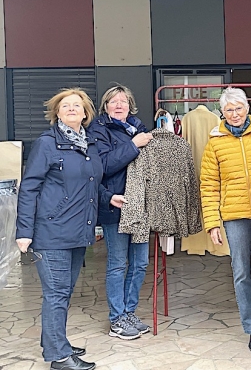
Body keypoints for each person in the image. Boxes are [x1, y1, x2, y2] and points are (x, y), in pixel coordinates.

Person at [15, 88, 116, 370]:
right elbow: (29, 188)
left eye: (77, 106)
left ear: (86, 114)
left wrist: (109, 197)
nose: (72, 109)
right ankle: (58, 356)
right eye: (65, 106)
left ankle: (55, 342)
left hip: (77, 232)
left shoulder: (88, 144)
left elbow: (89, 183)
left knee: (64, 292)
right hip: (51, 232)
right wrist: (24, 231)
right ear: (57, 113)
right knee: (56, 294)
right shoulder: (47, 144)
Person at [201, 87, 251, 353]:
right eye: (229, 110)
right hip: (234, 215)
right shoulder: (215, 142)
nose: (234, 114)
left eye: (238, 108)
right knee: (241, 272)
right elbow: (209, 184)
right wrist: (212, 222)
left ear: (247, 107)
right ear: (221, 112)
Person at [87, 85, 153, 340]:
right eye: (113, 101)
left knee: (140, 263)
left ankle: (129, 312)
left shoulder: (140, 128)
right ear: (105, 106)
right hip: (116, 205)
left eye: (123, 101)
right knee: (118, 263)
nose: (118, 105)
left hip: (140, 207)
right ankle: (117, 319)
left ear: (130, 105)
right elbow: (103, 166)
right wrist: (134, 145)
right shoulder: (98, 130)